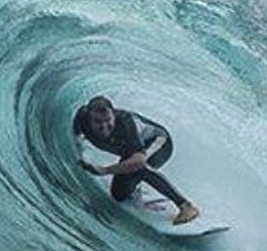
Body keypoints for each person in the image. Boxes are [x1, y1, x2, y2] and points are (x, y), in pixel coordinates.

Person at [72, 95, 200, 225]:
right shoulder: (81, 117)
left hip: (158, 142)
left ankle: (185, 205)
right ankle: (135, 188)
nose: (104, 126)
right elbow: (76, 139)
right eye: (98, 121)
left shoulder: (126, 124)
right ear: (88, 118)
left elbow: (138, 160)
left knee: (137, 167)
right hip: (133, 152)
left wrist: (104, 170)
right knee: (118, 194)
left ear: (114, 116)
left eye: (108, 120)